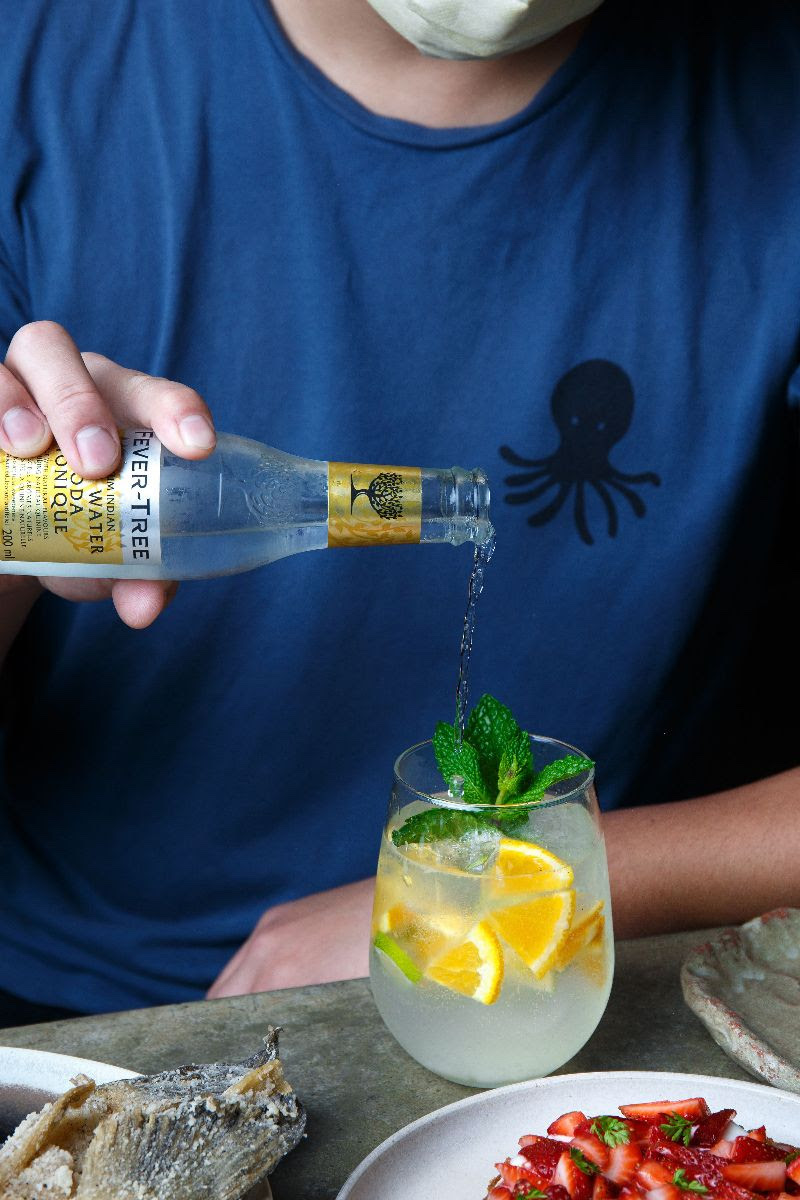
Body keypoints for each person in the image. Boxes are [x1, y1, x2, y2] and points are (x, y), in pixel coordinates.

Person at [1, 0, 799, 1028]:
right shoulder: (41, 63)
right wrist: (20, 530)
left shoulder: (766, 103)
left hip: (542, 986)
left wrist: (542, 875)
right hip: (69, 1011)